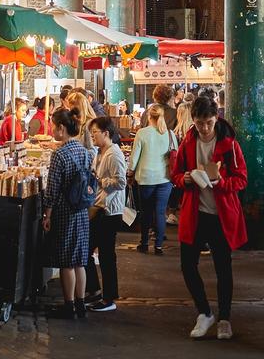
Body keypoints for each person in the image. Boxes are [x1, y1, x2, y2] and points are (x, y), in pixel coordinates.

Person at [170, 94, 247, 341]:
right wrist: (186, 179)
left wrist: (221, 182)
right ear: (193, 120)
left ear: (216, 119)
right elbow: (176, 174)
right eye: (200, 123)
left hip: (221, 215)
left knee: (223, 267)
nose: (204, 128)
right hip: (195, 212)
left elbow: (242, 179)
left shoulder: (230, 144)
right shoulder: (188, 142)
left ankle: (224, 318)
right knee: (187, 265)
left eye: (209, 123)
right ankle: (204, 312)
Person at [43, 108, 95, 319]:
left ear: (62, 129)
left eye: (54, 126)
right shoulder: (85, 151)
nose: (52, 130)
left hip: (65, 210)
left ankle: (69, 305)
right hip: (82, 210)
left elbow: (52, 188)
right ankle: (80, 304)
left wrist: (47, 214)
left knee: (66, 260)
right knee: (79, 259)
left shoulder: (60, 154)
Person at [85, 116, 126, 313]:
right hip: (101, 207)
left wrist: (101, 181)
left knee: (106, 254)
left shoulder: (114, 154)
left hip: (110, 211)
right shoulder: (101, 152)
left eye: (95, 133)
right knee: (89, 251)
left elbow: (121, 182)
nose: (92, 136)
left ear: (106, 133)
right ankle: (95, 291)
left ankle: (108, 298)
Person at [129, 103, 177, 254]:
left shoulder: (142, 133)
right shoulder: (169, 133)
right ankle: (158, 246)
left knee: (146, 212)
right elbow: (176, 153)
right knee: (160, 212)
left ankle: (144, 244)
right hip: (165, 179)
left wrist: (130, 173)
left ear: (149, 116)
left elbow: (134, 158)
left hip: (146, 179)